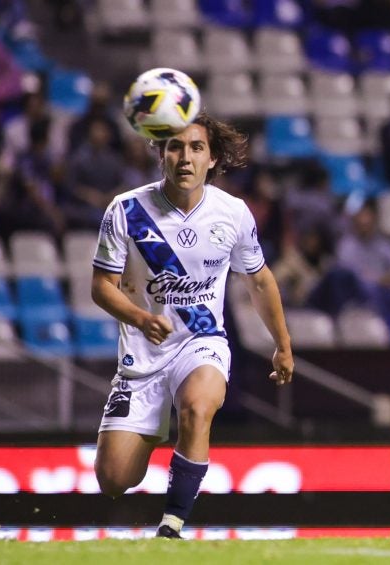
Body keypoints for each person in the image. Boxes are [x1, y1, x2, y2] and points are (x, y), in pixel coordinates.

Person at [90, 113, 295, 539]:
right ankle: (158, 428)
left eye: (196, 147)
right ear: (160, 153)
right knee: (113, 480)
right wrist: (140, 317)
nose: (186, 157)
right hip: (142, 354)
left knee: (199, 407)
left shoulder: (233, 213)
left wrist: (283, 344)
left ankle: (172, 526)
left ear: (212, 158)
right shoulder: (126, 210)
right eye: (175, 147)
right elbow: (101, 287)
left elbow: (258, 278)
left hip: (201, 343)